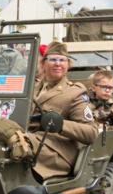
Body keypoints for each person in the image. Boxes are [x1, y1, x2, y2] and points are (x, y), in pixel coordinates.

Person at [28, 41, 98, 181]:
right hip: (31, 142)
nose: (58, 64)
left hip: (57, 152)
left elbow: (91, 132)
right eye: (53, 59)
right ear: (43, 63)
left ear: (68, 64)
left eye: (62, 60)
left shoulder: (74, 93)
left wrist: (59, 124)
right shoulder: (31, 88)